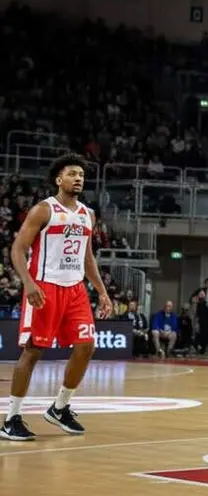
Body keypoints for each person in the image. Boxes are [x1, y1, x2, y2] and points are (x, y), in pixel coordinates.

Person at [2, 153, 112, 441]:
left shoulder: (88, 214)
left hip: (75, 290)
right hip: (44, 287)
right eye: (72, 174)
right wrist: (27, 283)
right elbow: (17, 249)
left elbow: (87, 257)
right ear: (58, 179)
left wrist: (101, 291)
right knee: (33, 351)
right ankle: (11, 417)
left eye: (81, 175)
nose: (78, 178)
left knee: (86, 346)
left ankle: (60, 407)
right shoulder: (43, 210)